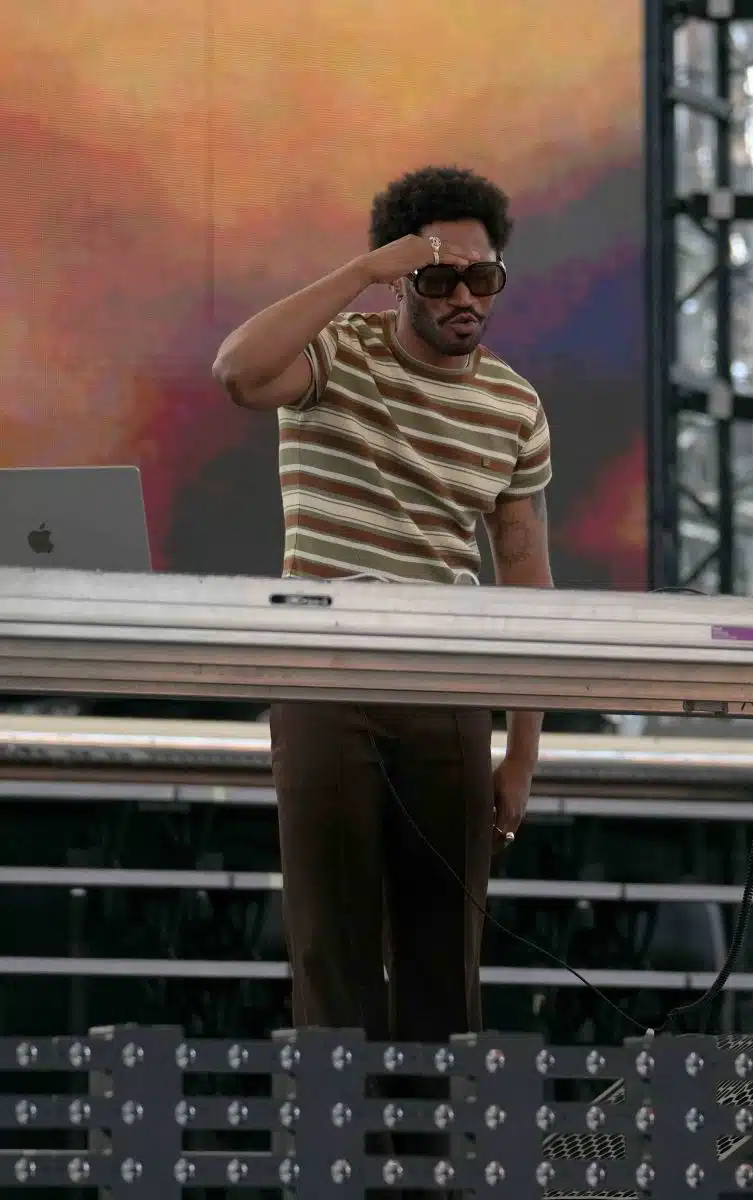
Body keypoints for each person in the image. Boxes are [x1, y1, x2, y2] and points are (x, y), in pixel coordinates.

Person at [213, 166, 553, 1050]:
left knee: (446, 959)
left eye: (484, 277)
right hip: (324, 671)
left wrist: (523, 748)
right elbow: (239, 372)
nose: (465, 297)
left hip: (447, 681)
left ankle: (438, 1145)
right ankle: (337, 1137)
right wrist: (360, 272)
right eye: (439, 278)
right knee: (333, 950)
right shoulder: (336, 352)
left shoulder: (513, 403)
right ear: (401, 279)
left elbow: (526, 572)